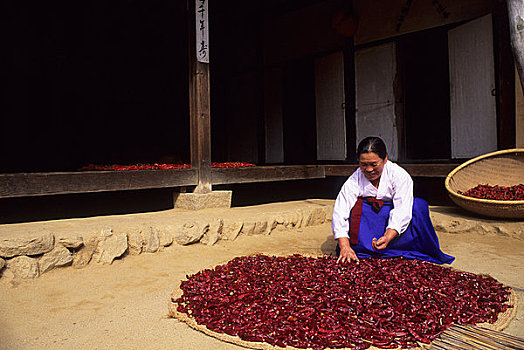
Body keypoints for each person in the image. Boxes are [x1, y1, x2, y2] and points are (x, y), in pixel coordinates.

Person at [332, 136, 454, 265]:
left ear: (385, 159)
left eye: (374, 164)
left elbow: (402, 208)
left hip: (394, 224)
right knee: (357, 206)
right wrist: (344, 245)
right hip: (369, 222)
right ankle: (361, 246)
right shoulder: (355, 179)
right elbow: (341, 209)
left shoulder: (399, 175)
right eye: (363, 165)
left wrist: (388, 236)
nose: (368, 170)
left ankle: (400, 245)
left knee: (418, 206)